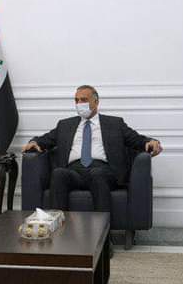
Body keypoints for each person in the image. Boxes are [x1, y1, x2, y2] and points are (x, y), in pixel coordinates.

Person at [22, 85, 162, 213]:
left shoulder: (115, 123)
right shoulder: (65, 125)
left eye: (83, 100)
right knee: (59, 173)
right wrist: (34, 142)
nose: (79, 104)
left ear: (96, 102)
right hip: (74, 171)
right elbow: (46, 139)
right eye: (76, 100)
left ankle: (103, 230)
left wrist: (150, 142)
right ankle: (59, 227)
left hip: (103, 171)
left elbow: (136, 139)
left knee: (97, 174)